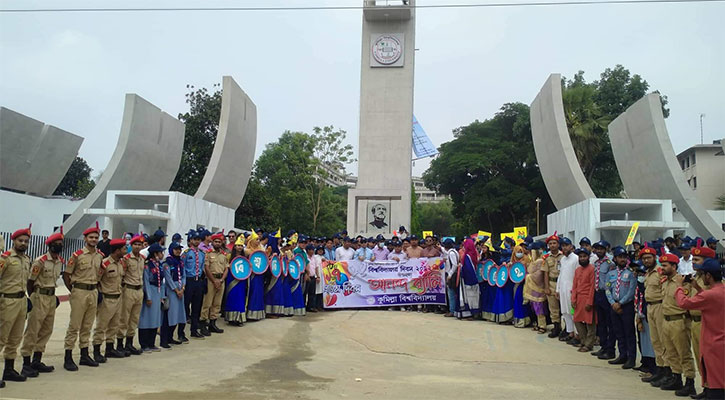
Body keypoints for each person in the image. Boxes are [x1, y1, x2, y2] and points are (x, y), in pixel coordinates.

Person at [674, 258, 724, 400]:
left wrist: (679, 287)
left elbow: (683, 303)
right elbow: (708, 300)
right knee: (718, 378)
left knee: (716, 383)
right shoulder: (720, 290)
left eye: (702, 274)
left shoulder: (709, 295)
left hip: (713, 343)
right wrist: (698, 288)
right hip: (720, 341)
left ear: (708, 276)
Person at [20, 228, 64, 377]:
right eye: (57, 243)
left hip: (51, 297)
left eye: (61, 243)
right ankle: (26, 363)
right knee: (33, 330)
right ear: (50, 245)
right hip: (39, 296)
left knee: (46, 330)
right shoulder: (40, 261)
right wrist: (33, 297)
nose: (59, 246)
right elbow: (30, 282)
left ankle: (37, 360)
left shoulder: (59, 262)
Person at [63, 223, 104, 371]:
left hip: (93, 291)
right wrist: (73, 290)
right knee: (74, 325)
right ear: (85, 238)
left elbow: (100, 274)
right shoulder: (77, 255)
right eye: (91, 237)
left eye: (95, 237)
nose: (93, 239)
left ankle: (84, 355)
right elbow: (67, 275)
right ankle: (68, 356)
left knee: (87, 325)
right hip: (79, 291)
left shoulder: (100, 256)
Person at [658, 253, 696, 395]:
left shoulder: (683, 282)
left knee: (684, 353)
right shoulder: (665, 282)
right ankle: (676, 378)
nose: (662, 268)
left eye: (665, 265)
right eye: (662, 265)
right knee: (670, 352)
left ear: (674, 267)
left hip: (679, 321)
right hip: (666, 320)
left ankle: (690, 382)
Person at [0, 226, 33, 385]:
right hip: (7, 301)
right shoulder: (5, 258)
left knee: (15, 337)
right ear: (13, 241)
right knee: (1, 337)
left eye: (26, 241)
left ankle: (9, 369)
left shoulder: (27, 259)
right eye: (20, 241)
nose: (23, 243)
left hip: (21, 301)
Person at [688, 245, 717, 399]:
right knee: (700, 357)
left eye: (697, 259)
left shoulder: (712, 279)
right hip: (694, 321)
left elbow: (714, 298)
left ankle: (714, 390)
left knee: (709, 359)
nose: (693, 262)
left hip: (707, 323)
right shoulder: (697, 277)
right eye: (693, 259)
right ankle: (706, 388)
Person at [91, 238, 127, 363]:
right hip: (106, 299)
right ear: (117, 250)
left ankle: (110, 348)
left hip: (118, 298)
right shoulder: (105, 264)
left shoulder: (121, 263)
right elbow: (97, 280)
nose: (125, 251)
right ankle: (96, 351)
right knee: (101, 326)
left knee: (114, 325)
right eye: (123, 249)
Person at [605, 246, 637, 369]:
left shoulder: (630, 273)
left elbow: (631, 291)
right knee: (618, 331)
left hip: (626, 306)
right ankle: (622, 354)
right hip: (613, 305)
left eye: (624, 257)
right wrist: (613, 303)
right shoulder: (611, 274)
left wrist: (621, 303)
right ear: (615, 258)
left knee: (629, 332)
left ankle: (631, 357)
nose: (622, 259)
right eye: (620, 257)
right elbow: (607, 289)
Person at [118, 234, 145, 356]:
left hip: (139, 290)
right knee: (124, 318)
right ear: (131, 245)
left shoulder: (142, 259)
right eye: (135, 244)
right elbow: (121, 275)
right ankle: (119, 344)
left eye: (140, 244)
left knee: (134, 318)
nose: (138, 246)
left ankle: (129, 343)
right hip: (128, 289)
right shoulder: (126, 259)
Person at [138, 243, 165, 352]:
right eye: (161, 252)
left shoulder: (159, 264)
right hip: (150, 292)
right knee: (146, 319)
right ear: (155, 253)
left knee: (155, 319)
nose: (162, 254)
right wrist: (148, 297)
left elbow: (162, 282)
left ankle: (151, 343)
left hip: (157, 293)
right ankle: (144, 344)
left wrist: (162, 296)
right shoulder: (147, 265)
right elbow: (146, 282)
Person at [591, 240, 616, 359]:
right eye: (597, 249)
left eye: (601, 248)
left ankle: (611, 350)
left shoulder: (610, 263)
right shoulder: (596, 263)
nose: (599, 251)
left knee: (609, 323)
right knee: (600, 323)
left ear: (605, 249)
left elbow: (613, 279)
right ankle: (603, 347)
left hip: (607, 294)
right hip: (598, 294)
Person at [201, 232, 228, 334]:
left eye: (219, 242)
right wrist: (214, 281)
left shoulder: (224, 255)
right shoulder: (208, 254)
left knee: (217, 304)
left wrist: (221, 280)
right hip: (210, 280)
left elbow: (226, 268)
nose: (217, 243)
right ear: (212, 242)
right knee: (207, 303)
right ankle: (203, 324)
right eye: (215, 241)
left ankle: (213, 323)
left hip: (221, 281)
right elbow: (206, 268)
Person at [631, 260, 656, 377]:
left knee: (651, 343)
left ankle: (653, 369)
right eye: (639, 274)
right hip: (640, 315)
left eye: (643, 274)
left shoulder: (649, 288)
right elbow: (637, 302)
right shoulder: (638, 287)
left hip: (649, 316)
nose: (640, 276)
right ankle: (646, 364)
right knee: (643, 342)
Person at [571, 248, 596, 352]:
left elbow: (592, 286)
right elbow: (575, 285)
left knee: (590, 322)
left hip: (587, 298)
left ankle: (589, 344)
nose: (582, 258)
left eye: (584, 256)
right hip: (578, 298)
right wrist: (573, 299)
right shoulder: (577, 270)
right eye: (580, 257)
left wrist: (590, 302)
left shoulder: (592, 269)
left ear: (588, 257)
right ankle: (583, 340)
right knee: (577, 319)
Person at [182, 230, 205, 339]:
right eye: (194, 239)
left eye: (198, 240)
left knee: (197, 307)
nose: (196, 241)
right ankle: (181, 332)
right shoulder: (186, 253)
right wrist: (184, 283)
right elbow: (182, 269)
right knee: (185, 306)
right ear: (190, 240)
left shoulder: (202, 253)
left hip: (198, 281)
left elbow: (201, 268)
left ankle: (194, 330)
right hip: (189, 281)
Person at [161, 242, 185, 347]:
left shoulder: (180, 262)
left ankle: (171, 337)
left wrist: (183, 288)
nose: (178, 251)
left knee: (178, 315)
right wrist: (176, 290)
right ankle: (164, 340)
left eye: (179, 249)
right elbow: (168, 278)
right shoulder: (167, 262)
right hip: (171, 290)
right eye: (176, 249)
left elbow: (184, 275)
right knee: (169, 315)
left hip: (180, 289)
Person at [556, 238, 578, 343]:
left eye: (566, 245)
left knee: (573, 312)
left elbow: (578, 276)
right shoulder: (563, 259)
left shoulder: (576, 259)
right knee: (565, 312)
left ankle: (577, 334)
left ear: (571, 246)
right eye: (563, 246)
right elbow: (560, 275)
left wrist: (575, 290)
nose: (564, 248)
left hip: (571, 290)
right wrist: (558, 289)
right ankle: (570, 332)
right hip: (563, 290)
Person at [542, 232, 564, 338]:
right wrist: (546, 287)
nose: (552, 245)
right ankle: (556, 327)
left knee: (565, 308)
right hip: (551, 284)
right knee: (553, 308)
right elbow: (545, 273)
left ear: (558, 244)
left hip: (563, 285)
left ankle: (567, 329)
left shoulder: (564, 256)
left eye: (554, 243)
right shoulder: (546, 258)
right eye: (550, 243)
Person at [454, 239, 481, 320]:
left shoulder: (467, 256)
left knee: (467, 297)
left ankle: (469, 314)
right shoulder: (474, 254)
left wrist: (461, 268)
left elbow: (468, 269)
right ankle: (475, 313)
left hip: (468, 280)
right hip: (474, 279)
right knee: (474, 297)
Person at [245, 232, 266, 321]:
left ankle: (258, 313)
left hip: (259, 275)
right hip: (251, 275)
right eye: (256, 239)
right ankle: (250, 313)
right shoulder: (246, 251)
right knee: (251, 292)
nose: (258, 241)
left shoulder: (261, 250)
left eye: (258, 239)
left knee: (259, 292)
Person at [510, 245, 531, 328]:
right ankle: (517, 321)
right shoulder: (512, 261)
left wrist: (526, 265)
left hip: (524, 284)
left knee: (522, 301)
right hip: (515, 284)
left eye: (521, 252)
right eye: (518, 252)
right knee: (516, 301)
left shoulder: (526, 259)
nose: (519, 254)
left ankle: (524, 321)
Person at [264, 236, 285, 318]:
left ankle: (276, 311)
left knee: (277, 292)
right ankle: (269, 312)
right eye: (278, 239)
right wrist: (270, 257)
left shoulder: (278, 248)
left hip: (277, 273)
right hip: (271, 274)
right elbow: (266, 258)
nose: (280, 240)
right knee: (271, 292)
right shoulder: (269, 248)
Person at [442, 239, 459, 317]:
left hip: (452, 275)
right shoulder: (454, 252)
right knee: (452, 293)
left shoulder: (451, 253)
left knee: (451, 293)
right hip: (453, 274)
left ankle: (452, 310)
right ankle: (454, 309)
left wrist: (450, 274)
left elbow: (454, 264)